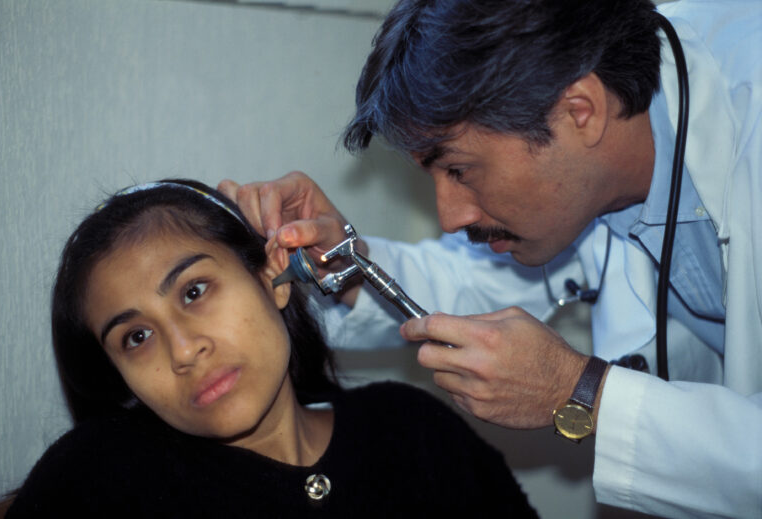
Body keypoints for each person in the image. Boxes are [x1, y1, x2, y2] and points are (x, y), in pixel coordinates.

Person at [221, 0, 762, 517]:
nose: (451, 215)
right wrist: (347, 263)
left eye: (459, 169)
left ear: (581, 111)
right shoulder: (591, 159)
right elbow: (475, 283)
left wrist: (582, 394)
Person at [5, 180, 537, 518]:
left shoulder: (414, 430)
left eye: (194, 291)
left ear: (272, 278)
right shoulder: (98, 481)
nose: (184, 351)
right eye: (136, 338)